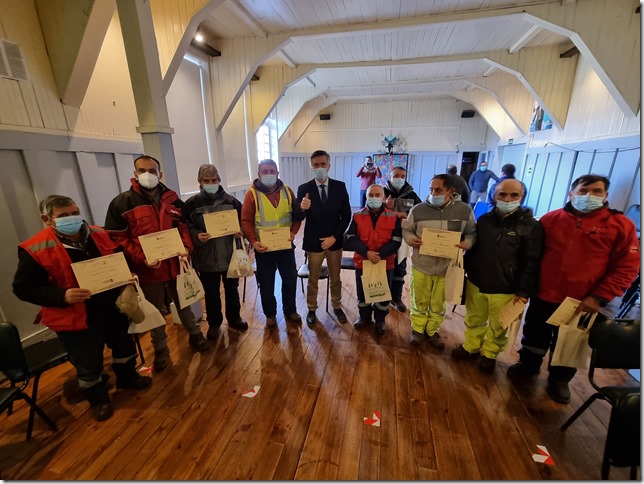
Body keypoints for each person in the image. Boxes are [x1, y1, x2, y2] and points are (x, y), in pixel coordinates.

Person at [13, 195, 151, 421]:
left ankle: (127, 377)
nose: (72, 218)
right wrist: (62, 295)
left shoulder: (98, 233)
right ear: (47, 219)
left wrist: (128, 274)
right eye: (63, 216)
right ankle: (98, 399)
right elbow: (24, 288)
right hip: (74, 316)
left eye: (74, 212)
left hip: (112, 308)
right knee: (88, 361)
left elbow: (118, 258)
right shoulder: (34, 248)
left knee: (124, 346)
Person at [507, 174, 640, 404]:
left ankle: (560, 379)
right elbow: (531, 256)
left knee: (571, 341)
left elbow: (627, 266)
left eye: (597, 191)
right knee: (535, 333)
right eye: (584, 190)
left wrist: (599, 297)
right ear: (571, 194)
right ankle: (528, 365)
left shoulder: (620, 225)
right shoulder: (550, 219)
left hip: (584, 301)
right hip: (544, 294)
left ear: (606, 196)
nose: (589, 196)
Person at [105, 155, 209, 373]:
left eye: (152, 171)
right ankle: (161, 349)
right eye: (142, 170)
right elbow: (117, 238)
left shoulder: (173, 199)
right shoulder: (122, 203)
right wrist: (141, 258)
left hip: (175, 264)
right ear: (135, 174)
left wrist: (186, 249)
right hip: (148, 270)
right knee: (155, 312)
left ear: (160, 173)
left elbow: (182, 228)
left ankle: (195, 334)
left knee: (185, 302)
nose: (147, 175)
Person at [451, 179, 543, 373]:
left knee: (498, 325)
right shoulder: (484, 220)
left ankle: (490, 354)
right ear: (494, 195)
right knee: (474, 318)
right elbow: (474, 250)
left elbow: (532, 262)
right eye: (502, 194)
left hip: (506, 287)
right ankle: (471, 347)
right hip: (477, 281)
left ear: (522, 197)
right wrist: (462, 270)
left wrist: (524, 291)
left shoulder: (531, 227)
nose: (507, 198)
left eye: (514, 195)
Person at [402, 174, 476, 349]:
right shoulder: (418, 209)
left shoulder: (464, 211)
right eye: (431, 190)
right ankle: (418, 330)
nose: (434, 193)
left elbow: (472, 233)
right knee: (418, 299)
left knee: (438, 302)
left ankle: (432, 330)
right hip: (422, 265)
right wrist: (412, 239)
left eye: (438, 190)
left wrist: (467, 243)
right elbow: (407, 230)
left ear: (451, 191)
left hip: (447, 267)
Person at [183, 164, 248, 341]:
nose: (210, 183)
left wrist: (239, 230)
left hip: (229, 256)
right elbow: (186, 228)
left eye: (214, 180)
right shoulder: (191, 204)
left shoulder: (232, 202)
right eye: (206, 181)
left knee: (232, 289)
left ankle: (234, 318)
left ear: (219, 181)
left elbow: (244, 221)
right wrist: (197, 235)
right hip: (205, 257)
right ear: (199, 182)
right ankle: (214, 323)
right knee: (211, 293)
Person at [241, 159, 304, 328]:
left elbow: (296, 216)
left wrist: (293, 232)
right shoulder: (251, 194)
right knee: (266, 283)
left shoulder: (287, 191)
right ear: (259, 174)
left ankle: (290, 310)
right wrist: (253, 242)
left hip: (285, 246)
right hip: (264, 248)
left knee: (290, 280)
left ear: (277, 173)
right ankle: (270, 314)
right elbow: (246, 221)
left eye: (272, 171)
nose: (269, 174)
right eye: (265, 171)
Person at [297, 150, 352, 325]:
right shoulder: (304, 189)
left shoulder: (340, 186)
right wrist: (302, 208)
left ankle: (336, 305)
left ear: (329, 165)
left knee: (335, 278)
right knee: (313, 279)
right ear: (311, 166)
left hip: (334, 242)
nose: (319, 167)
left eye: (323, 164)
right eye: (316, 165)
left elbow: (347, 216)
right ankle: (311, 309)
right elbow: (298, 217)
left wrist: (335, 237)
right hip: (314, 243)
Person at [344, 184, 402, 335]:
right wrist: (366, 252)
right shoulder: (357, 215)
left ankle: (380, 320)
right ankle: (364, 317)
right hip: (363, 261)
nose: (374, 198)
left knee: (382, 293)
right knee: (362, 292)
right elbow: (350, 238)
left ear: (383, 198)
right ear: (366, 197)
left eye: (377, 195)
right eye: (371, 195)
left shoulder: (393, 216)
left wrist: (380, 254)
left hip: (385, 263)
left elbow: (396, 240)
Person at [383, 166, 422, 312]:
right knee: (385, 268)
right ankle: (383, 298)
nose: (399, 178)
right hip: (385, 237)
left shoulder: (412, 195)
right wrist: (385, 207)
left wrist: (400, 215)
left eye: (402, 175)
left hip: (403, 238)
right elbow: (371, 212)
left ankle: (396, 298)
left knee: (400, 267)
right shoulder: (382, 192)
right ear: (390, 176)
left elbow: (419, 215)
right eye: (396, 175)